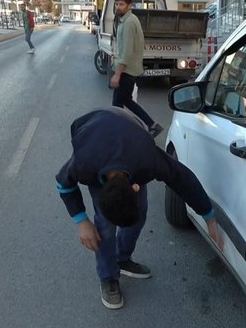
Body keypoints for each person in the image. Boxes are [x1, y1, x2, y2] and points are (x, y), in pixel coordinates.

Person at [55, 107, 221, 310]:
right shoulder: (84, 164)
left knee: (139, 214)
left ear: (136, 186)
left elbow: (182, 178)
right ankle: (108, 277)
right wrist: (82, 221)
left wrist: (209, 215)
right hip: (90, 129)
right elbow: (63, 184)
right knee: (104, 226)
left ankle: (122, 258)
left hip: (129, 127)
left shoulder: (147, 159)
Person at [110, 0, 164, 138]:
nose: (118, 7)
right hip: (130, 70)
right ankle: (152, 125)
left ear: (129, 6)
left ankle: (120, 134)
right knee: (125, 101)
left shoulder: (129, 23)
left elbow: (126, 53)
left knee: (116, 106)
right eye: (116, 4)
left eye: (121, 4)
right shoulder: (127, 20)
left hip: (127, 71)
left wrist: (117, 74)